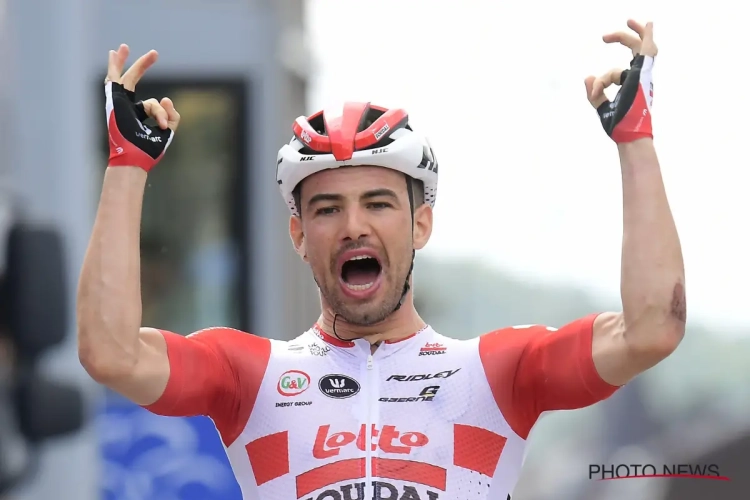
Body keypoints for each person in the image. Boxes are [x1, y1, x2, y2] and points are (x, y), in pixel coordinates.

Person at [78, 20, 685, 500]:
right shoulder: (247, 375)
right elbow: (110, 353)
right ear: (297, 234)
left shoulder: (496, 375)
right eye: (326, 210)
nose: (353, 226)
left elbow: (652, 330)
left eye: (378, 203)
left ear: (421, 223)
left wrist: (636, 140)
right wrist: (128, 168)